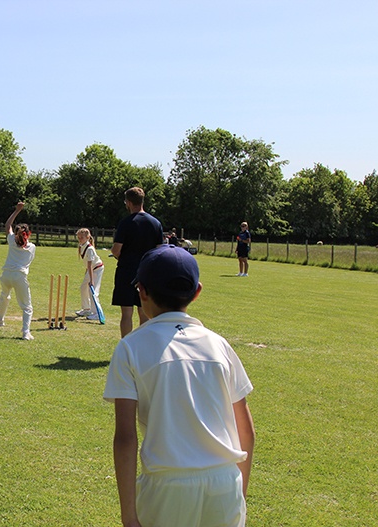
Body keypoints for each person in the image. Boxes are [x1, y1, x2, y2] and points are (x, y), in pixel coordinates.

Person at [104, 244, 255, 527]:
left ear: (142, 291)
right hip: (225, 482)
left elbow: (125, 437)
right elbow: (245, 429)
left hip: (167, 486)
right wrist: (239, 493)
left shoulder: (130, 347)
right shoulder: (219, 345)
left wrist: (129, 516)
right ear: (197, 292)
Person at [111, 187, 163, 338]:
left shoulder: (126, 223)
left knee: (126, 314)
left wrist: (121, 257)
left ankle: (126, 346)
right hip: (147, 273)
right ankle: (143, 346)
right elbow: (160, 250)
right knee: (144, 313)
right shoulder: (155, 223)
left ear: (128, 202)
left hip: (127, 272)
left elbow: (116, 250)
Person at [0, 202, 36, 340]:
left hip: (6, 274)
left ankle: (0, 317)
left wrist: (17, 210)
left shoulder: (12, 240)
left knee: (5, 295)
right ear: (28, 234)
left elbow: (8, 225)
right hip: (19, 276)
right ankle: (25, 333)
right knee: (27, 307)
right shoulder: (32, 247)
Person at [74, 228, 104, 321]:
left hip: (97, 269)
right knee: (83, 287)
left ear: (87, 237)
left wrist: (91, 280)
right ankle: (86, 309)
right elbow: (87, 265)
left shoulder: (90, 249)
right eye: (78, 237)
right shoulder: (81, 246)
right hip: (90, 269)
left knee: (93, 291)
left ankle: (96, 314)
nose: (80, 239)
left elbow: (90, 265)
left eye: (82, 237)